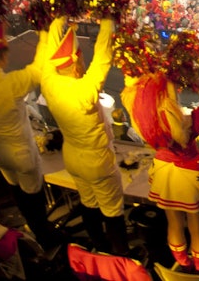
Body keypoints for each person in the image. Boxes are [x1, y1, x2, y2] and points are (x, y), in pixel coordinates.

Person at [0, 19, 58, 250]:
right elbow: (39, 67)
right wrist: (46, 33)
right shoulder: (11, 83)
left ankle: (32, 231)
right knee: (34, 198)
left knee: (17, 192)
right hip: (21, 154)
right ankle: (45, 240)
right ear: (3, 55)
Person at [41, 16, 128, 255]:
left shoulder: (48, 82)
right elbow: (103, 57)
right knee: (112, 212)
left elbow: (50, 52)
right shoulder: (84, 89)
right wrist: (108, 21)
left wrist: (58, 19)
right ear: (77, 63)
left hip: (73, 158)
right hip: (97, 161)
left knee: (89, 205)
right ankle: (120, 258)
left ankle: (98, 249)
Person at [120, 72, 199, 274]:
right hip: (189, 177)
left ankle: (182, 263)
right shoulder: (183, 124)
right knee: (197, 228)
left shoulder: (145, 124)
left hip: (164, 173)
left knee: (173, 223)